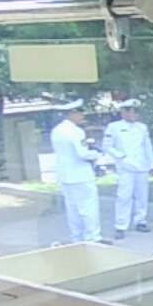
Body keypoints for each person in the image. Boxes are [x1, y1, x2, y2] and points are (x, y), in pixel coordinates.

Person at [50, 99, 104, 244]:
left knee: (72, 209)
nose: (82, 116)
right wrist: (97, 154)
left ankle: (77, 238)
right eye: (80, 113)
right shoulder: (76, 131)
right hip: (81, 175)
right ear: (72, 113)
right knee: (88, 208)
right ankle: (93, 237)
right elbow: (83, 154)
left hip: (65, 175)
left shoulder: (57, 131)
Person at [102, 99, 153, 239]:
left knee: (142, 196)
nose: (134, 114)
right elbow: (107, 146)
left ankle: (140, 221)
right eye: (131, 111)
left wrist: (151, 164)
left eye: (136, 111)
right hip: (125, 167)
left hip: (141, 166)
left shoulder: (142, 127)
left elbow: (147, 146)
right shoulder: (114, 127)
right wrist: (121, 156)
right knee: (123, 197)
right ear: (123, 112)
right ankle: (121, 225)